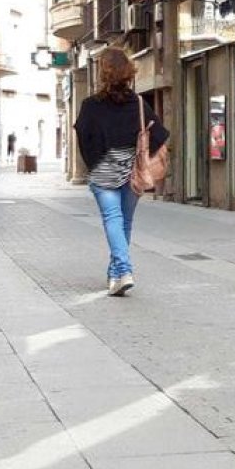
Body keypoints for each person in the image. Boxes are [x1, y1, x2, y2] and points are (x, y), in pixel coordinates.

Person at [74, 48, 169, 296]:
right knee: (123, 222)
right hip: (132, 172)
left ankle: (123, 270)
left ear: (102, 73)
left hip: (104, 170)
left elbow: (83, 138)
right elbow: (159, 134)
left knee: (113, 219)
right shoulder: (138, 103)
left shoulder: (90, 106)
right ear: (128, 72)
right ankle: (115, 275)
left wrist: (96, 164)